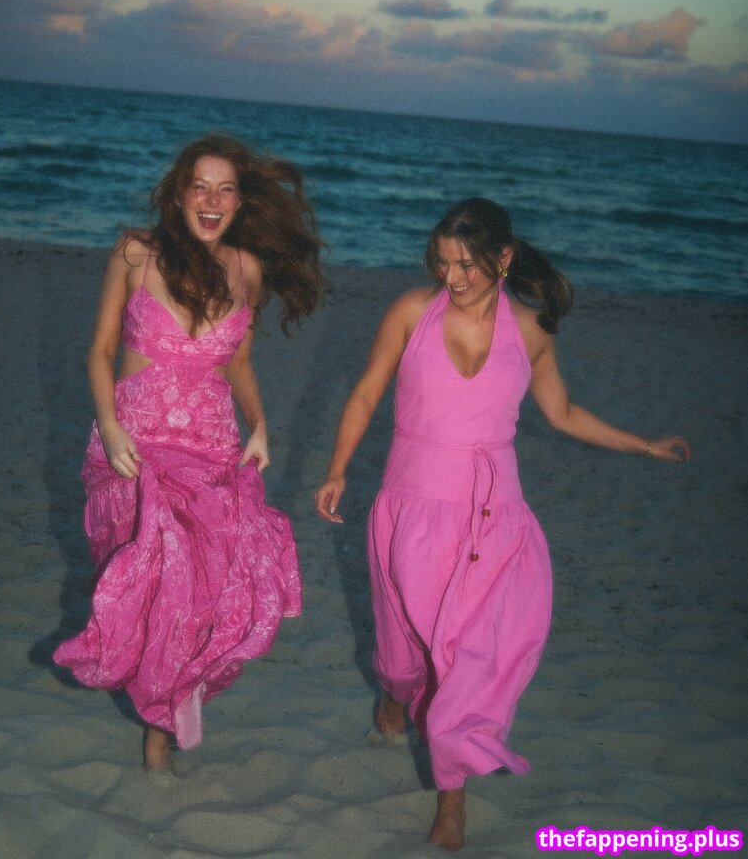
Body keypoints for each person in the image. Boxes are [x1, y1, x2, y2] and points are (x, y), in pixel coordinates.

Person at [315, 197, 689, 851]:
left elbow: (562, 411)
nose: (453, 277)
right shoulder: (411, 312)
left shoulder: (532, 331)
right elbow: (368, 391)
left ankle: (451, 799)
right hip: (412, 507)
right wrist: (338, 469)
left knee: (463, 661)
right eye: (442, 262)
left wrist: (642, 445)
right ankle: (394, 697)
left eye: (467, 264)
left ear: (504, 259)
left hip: (492, 518)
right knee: (405, 658)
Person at [54, 133, 324, 771]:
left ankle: (162, 721)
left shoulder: (247, 270)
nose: (212, 200)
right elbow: (99, 351)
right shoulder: (136, 253)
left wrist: (260, 425)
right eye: (200, 187)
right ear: (179, 194)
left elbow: (240, 366)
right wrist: (110, 427)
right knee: (154, 583)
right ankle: (158, 712)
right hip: (137, 446)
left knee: (203, 592)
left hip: (211, 446)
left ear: (239, 201)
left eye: (225, 190)